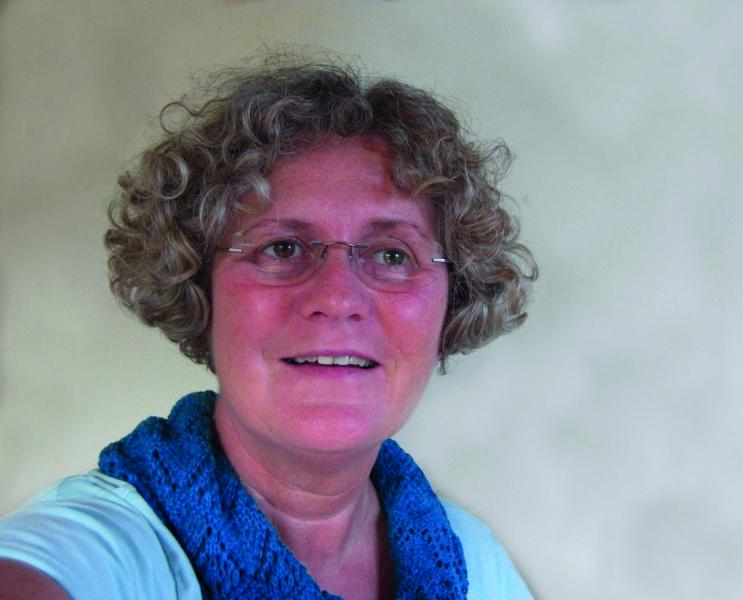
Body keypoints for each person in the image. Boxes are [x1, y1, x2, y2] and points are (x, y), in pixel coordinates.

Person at [0, 55, 537, 599]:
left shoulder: (474, 565)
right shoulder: (107, 547)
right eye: (282, 248)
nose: (337, 298)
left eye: (392, 255)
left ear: (452, 302)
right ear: (199, 285)